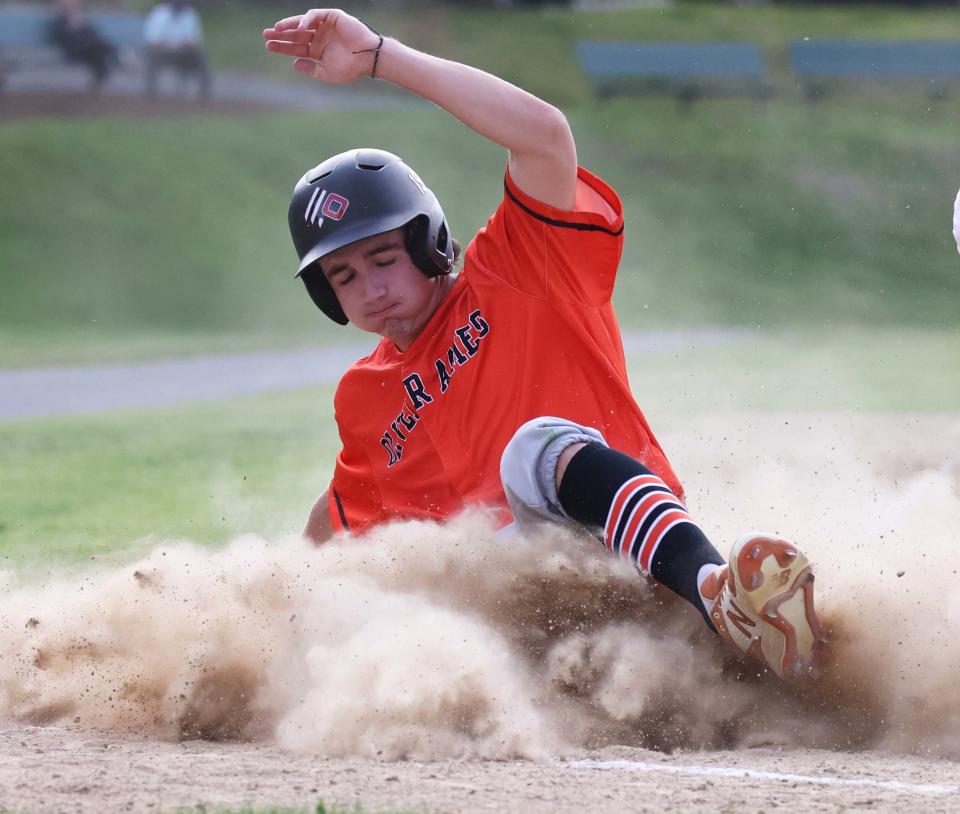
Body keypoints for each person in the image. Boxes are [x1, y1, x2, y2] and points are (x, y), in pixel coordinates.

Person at [263, 8, 825, 682]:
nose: (369, 287)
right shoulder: (365, 394)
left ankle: (720, 599)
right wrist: (275, 618)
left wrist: (383, 58)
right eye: (343, 276)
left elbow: (545, 137)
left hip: (629, 555)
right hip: (516, 619)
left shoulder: (519, 271)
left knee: (532, 448)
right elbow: (339, 516)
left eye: (384, 257)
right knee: (409, 584)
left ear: (427, 240)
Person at [143, 0, 210, 99]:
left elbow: (196, 41)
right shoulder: (159, 14)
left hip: (183, 52)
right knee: (153, 54)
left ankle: (204, 94)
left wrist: (187, 43)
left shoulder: (189, 14)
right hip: (163, 52)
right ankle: (151, 91)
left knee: (200, 56)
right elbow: (153, 41)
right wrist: (171, 44)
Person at [48, 0, 118, 91]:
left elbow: (93, 34)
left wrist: (80, 25)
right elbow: (61, 37)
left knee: (99, 48)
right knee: (99, 48)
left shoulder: (79, 18)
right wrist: (73, 27)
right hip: (73, 50)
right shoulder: (59, 20)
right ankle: (115, 62)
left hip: (87, 49)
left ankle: (106, 69)